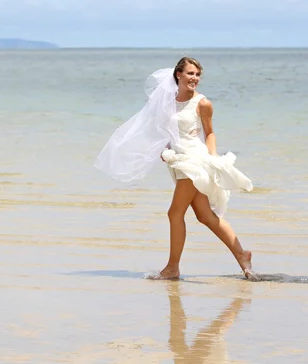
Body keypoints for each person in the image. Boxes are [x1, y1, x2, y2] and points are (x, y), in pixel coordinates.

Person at [95, 57, 257, 280]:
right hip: (178, 161)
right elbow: (161, 130)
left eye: (198, 75)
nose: (195, 79)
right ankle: (242, 255)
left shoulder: (203, 103)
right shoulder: (167, 101)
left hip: (194, 161)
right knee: (205, 216)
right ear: (178, 75)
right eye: (190, 73)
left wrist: (212, 158)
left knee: (174, 213)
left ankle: (172, 268)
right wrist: (164, 149)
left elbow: (209, 132)